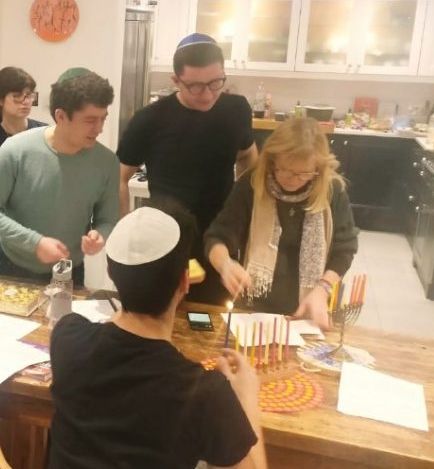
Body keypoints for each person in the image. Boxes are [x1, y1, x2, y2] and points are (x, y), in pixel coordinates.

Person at [49, 202, 266, 468]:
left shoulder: (67, 338)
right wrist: (246, 397)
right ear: (185, 282)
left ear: (110, 273)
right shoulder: (204, 392)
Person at [117, 33, 259, 305]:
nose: (207, 94)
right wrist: (122, 233)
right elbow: (120, 177)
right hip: (165, 238)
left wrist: (243, 208)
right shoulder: (149, 119)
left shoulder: (236, 110)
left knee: (211, 315)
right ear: (176, 80)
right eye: (195, 86)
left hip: (218, 236)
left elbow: (248, 156)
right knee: (160, 311)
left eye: (216, 83)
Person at [205, 117, 359, 329]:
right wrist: (225, 265)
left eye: (304, 173)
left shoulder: (332, 191)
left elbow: (345, 250)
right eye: (285, 169)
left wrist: (323, 288)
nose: (293, 179)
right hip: (255, 307)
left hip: (310, 308)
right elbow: (217, 236)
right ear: (272, 160)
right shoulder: (252, 184)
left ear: (319, 168)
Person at [0, 68, 120, 288]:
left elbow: (107, 219)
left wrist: (100, 235)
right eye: (90, 120)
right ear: (61, 116)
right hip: (13, 268)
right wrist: (35, 243)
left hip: (69, 271)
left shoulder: (107, 162)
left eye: (103, 119)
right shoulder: (16, 150)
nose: (99, 128)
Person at [0, 67, 47, 281]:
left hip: (38, 226)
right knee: (1, 286)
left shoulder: (44, 133)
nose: (25, 101)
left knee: (39, 287)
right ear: (0, 100)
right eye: (17, 96)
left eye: (29, 95)